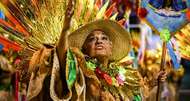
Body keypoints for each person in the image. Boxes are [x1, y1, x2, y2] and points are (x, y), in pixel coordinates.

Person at [24, 2, 167, 101]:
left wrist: (154, 81)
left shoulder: (122, 74)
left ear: (111, 47)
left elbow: (137, 93)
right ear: (85, 48)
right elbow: (61, 59)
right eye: (92, 39)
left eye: (104, 38)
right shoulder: (81, 68)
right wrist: (65, 29)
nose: (99, 41)